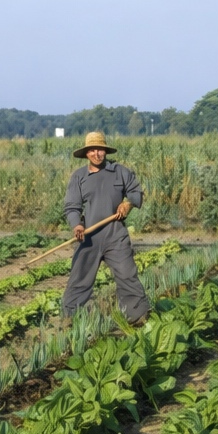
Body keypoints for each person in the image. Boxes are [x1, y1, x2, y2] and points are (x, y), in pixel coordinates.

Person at [61, 131, 150, 325]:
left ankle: (137, 316)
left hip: (115, 235)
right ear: (86, 153)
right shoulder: (79, 177)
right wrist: (76, 225)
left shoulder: (120, 171)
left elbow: (136, 192)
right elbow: (72, 207)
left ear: (105, 151)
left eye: (100, 149)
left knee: (127, 274)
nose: (96, 153)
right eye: (92, 150)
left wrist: (128, 204)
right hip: (88, 237)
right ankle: (70, 319)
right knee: (80, 279)